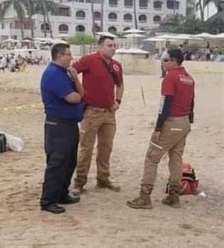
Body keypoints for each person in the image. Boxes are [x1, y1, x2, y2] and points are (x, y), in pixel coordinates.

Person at [127, 49, 195, 209]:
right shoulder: (189, 78)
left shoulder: (170, 77)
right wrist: (189, 122)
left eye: (165, 60)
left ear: (173, 61)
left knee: (152, 158)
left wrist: (158, 128)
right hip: (184, 122)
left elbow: (165, 104)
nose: (162, 63)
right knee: (176, 159)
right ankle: (174, 197)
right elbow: (192, 102)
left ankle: (145, 197)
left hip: (172, 122)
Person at [70, 35, 124, 195]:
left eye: (114, 45)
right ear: (100, 46)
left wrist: (118, 101)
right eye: (109, 45)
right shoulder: (89, 60)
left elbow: (120, 85)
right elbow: (72, 71)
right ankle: (79, 182)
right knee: (86, 148)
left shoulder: (116, 66)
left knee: (106, 147)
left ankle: (103, 179)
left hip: (109, 113)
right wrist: (79, 92)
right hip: (92, 111)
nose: (113, 48)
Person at [39, 43, 84, 214]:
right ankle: (48, 200)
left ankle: (61, 193)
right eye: (68, 55)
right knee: (57, 162)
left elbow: (81, 93)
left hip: (70, 124)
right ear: (59, 56)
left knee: (69, 161)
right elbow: (72, 98)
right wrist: (79, 96)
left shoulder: (65, 73)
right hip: (58, 124)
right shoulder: (52, 74)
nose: (71, 58)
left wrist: (76, 79)